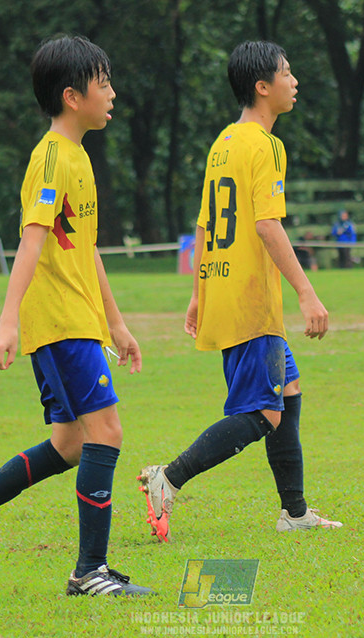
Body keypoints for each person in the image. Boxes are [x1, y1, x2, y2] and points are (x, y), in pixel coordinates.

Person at [0, 36, 152, 597]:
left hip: (79, 321)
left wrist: (115, 324)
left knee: (72, 445)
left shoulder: (79, 157)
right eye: (104, 83)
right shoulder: (50, 157)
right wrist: (6, 321)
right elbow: (32, 237)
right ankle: (89, 572)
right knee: (108, 432)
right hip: (59, 322)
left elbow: (86, 249)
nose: (113, 92)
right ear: (73, 96)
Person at [137, 41, 342, 543]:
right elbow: (268, 225)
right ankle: (170, 477)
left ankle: (294, 513)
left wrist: (197, 291)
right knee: (262, 413)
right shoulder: (266, 146)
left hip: (222, 287)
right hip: (251, 299)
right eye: (287, 72)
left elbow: (205, 225)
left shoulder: (224, 142)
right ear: (262, 86)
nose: (295, 81)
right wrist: (306, 292)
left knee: (286, 395)